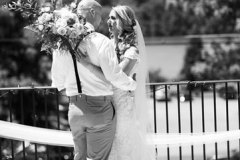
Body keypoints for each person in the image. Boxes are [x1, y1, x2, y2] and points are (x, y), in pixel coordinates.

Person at [51, 0, 137, 160]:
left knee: (79, 156)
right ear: (92, 13)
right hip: (99, 109)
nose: (102, 20)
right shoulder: (101, 41)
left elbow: (57, 81)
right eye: (101, 15)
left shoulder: (59, 43)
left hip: (74, 109)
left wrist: (75, 96)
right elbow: (114, 77)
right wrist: (133, 84)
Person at [78, 5, 155, 160]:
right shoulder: (106, 45)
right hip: (102, 104)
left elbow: (116, 79)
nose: (108, 21)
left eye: (114, 18)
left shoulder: (131, 51)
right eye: (109, 17)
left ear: (124, 22)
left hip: (120, 108)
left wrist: (87, 64)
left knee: (121, 147)